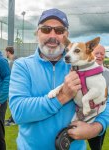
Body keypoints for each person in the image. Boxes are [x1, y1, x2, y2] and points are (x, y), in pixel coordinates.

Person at [9, 8, 109, 150]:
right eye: (46, 29)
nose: (53, 35)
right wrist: (62, 96)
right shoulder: (22, 65)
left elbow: (105, 100)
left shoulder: (83, 65)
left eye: (59, 30)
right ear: (37, 33)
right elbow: (18, 112)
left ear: (66, 35)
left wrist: (95, 128)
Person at [88, 44, 109, 150]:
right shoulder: (81, 72)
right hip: (79, 116)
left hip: (99, 118)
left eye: (102, 53)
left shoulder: (107, 73)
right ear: (90, 54)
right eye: (97, 53)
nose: (100, 56)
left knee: (96, 147)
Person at [5, 46, 17, 126]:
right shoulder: (13, 61)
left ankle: (14, 120)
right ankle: (12, 118)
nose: (5, 53)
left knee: (13, 102)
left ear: (8, 52)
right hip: (12, 85)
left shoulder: (13, 62)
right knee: (11, 102)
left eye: (6, 52)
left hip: (14, 86)